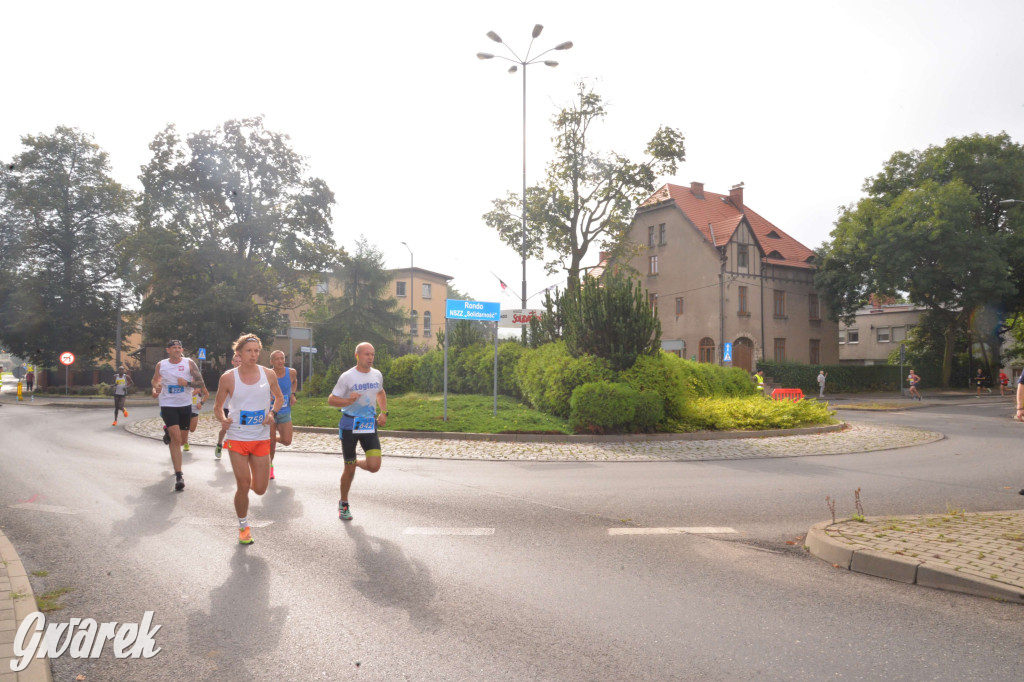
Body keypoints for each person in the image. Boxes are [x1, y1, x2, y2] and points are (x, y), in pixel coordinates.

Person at [214, 333, 284, 545]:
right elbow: (217, 407)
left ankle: (247, 501)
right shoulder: (228, 378)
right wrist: (223, 419)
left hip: (261, 438)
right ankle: (243, 526)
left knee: (260, 488)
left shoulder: (268, 374)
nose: (253, 355)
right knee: (243, 484)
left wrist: (272, 413)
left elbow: (279, 397)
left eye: (256, 351)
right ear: (239, 353)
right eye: (249, 351)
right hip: (237, 438)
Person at [328, 342, 388, 521]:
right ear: (357, 356)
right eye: (366, 354)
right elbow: (331, 400)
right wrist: (347, 401)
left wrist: (384, 412)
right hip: (349, 425)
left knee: (374, 466)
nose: (370, 357)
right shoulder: (347, 377)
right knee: (349, 470)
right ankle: (343, 503)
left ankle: (354, 463)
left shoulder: (377, 374)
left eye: (372, 354)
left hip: (369, 425)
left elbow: (380, 392)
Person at [152, 340, 205, 492]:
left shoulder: (189, 363)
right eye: (174, 347)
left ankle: (167, 431)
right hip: (168, 404)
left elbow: (200, 383)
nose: (177, 350)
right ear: (168, 350)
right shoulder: (161, 365)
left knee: (182, 441)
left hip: (185, 404)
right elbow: (155, 380)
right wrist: (155, 388)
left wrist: (187, 383)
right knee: (176, 438)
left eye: (179, 347)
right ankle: (179, 476)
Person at [267, 350, 297, 481]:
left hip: (285, 411)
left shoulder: (291, 372)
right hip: (270, 413)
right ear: (271, 362)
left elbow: (294, 382)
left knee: (287, 441)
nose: (280, 361)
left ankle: (270, 439)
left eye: (282, 358)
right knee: (272, 444)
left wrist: (293, 394)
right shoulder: (267, 374)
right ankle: (269, 467)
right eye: (277, 359)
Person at [214, 353, 242, 459]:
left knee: (238, 428)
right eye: (236, 361)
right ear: (232, 362)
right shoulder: (228, 375)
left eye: (240, 361)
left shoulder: (246, 375)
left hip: (239, 408)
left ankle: (237, 451)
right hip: (227, 407)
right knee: (225, 428)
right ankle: (219, 443)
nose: (238, 363)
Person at [182, 383, 210, 452]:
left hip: (195, 409)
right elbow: (183, 396)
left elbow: (207, 394)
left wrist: (201, 403)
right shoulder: (185, 383)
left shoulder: (200, 384)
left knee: (192, 429)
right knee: (185, 428)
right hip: (185, 408)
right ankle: (186, 443)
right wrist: (195, 392)